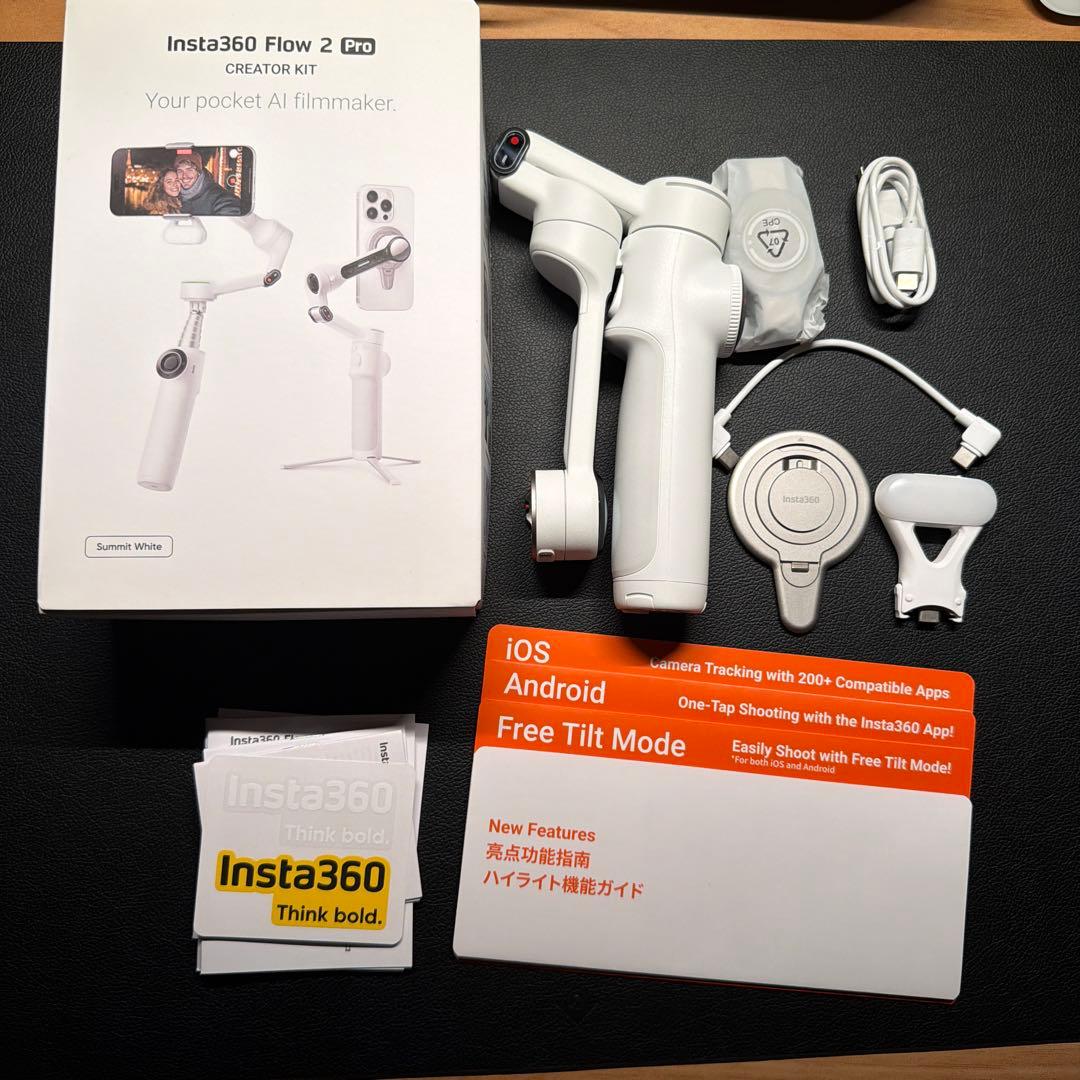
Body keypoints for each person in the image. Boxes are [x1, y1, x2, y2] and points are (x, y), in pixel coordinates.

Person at [173, 151, 241, 216]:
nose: (184, 176)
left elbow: (230, 212)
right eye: (180, 171)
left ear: (199, 172)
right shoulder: (174, 196)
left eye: (189, 170)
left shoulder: (220, 198)